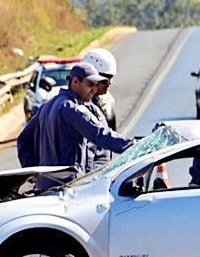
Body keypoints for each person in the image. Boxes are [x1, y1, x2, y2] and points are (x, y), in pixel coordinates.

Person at [17, 62, 132, 190]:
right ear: (75, 82)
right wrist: (133, 146)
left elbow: (24, 138)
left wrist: (32, 170)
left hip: (45, 188)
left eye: (96, 85)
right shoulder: (73, 109)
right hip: (69, 189)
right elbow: (100, 134)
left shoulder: (47, 106)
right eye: (90, 84)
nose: (94, 90)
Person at [83, 48, 118, 172]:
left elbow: (111, 138)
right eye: (106, 78)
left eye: (111, 78)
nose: (109, 83)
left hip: (101, 173)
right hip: (85, 179)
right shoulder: (74, 107)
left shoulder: (107, 102)